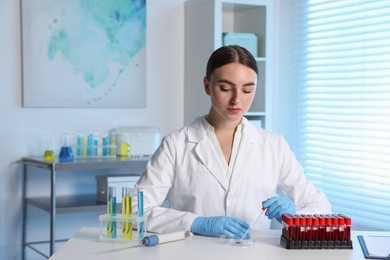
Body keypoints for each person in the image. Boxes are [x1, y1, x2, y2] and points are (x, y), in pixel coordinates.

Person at [131, 45, 331, 239]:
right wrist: (195, 223)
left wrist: (294, 215)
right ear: (207, 85)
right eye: (225, 88)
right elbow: (134, 210)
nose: (237, 100)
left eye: (247, 90)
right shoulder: (176, 145)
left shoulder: (274, 146)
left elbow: (320, 207)